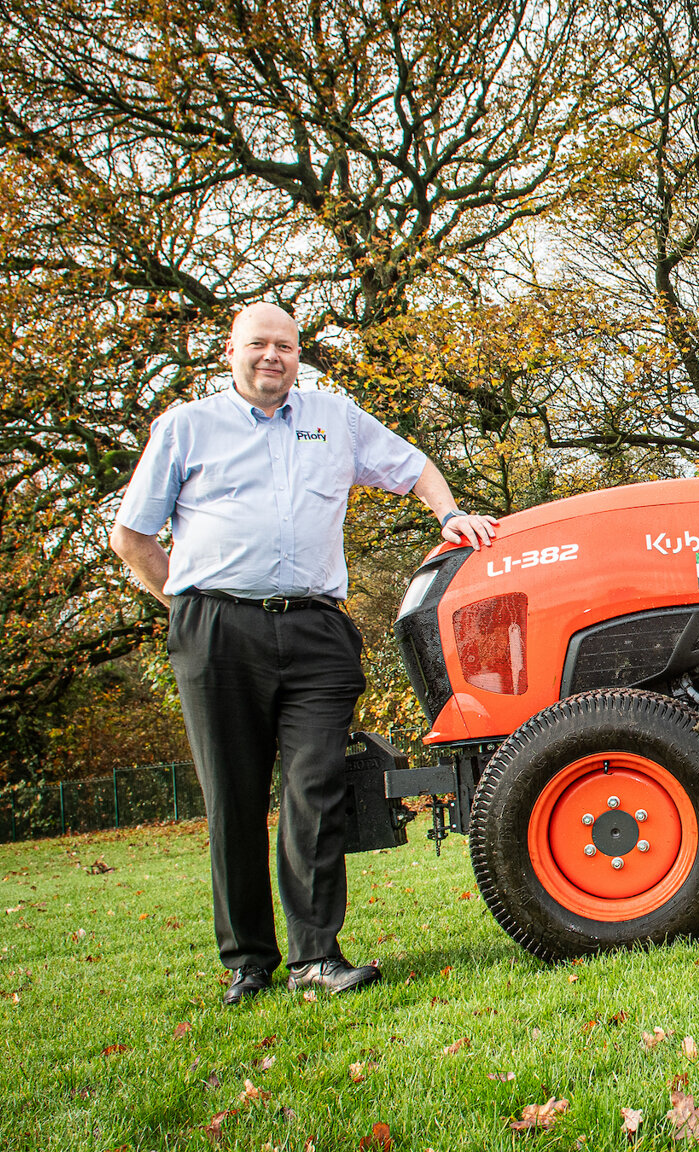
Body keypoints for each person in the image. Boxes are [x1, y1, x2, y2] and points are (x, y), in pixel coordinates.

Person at [110, 303, 499, 1006]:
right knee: (232, 798)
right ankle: (248, 963)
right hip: (217, 631)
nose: (272, 356)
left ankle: (316, 957)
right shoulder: (186, 427)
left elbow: (413, 466)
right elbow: (132, 537)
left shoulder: (333, 418)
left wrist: (450, 515)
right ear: (230, 352)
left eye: (285, 346)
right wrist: (188, 605)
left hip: (316, 629)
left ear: (298, 354)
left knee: (315, 788)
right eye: (258, 344)